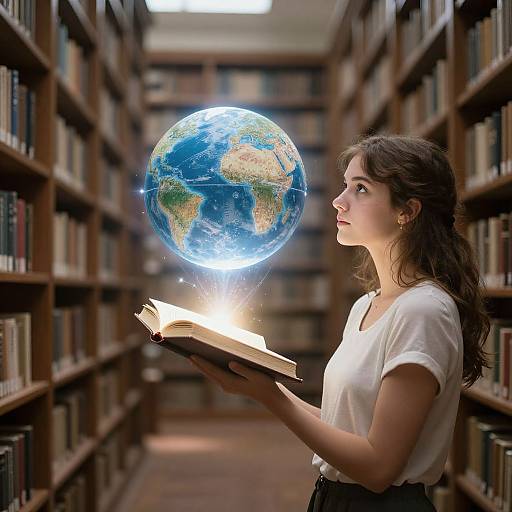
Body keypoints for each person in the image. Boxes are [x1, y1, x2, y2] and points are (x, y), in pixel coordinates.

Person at [188, 134, 491, 511]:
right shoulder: (366, 305)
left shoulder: (423, 311)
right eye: (345, 186)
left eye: (360, 189)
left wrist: (271, 398)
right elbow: (347, 428)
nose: (338, 200)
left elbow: (379, 467)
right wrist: (266, 388)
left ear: (407, 211)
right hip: (333, 499)